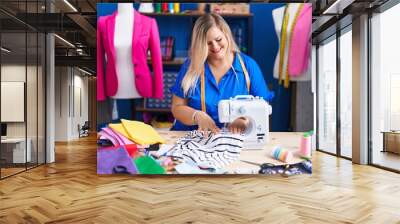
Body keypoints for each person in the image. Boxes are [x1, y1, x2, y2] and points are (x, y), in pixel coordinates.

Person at [170, 13, 274, 134]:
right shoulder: (191, 67)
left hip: (233, 138)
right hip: (192, 137)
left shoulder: (248, 67)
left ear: (227, 35)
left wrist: (245, 118)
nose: (215, 46)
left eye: (218, 39)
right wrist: (196, 116)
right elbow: (177, 108)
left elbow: (263, 106)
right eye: (208, 43)